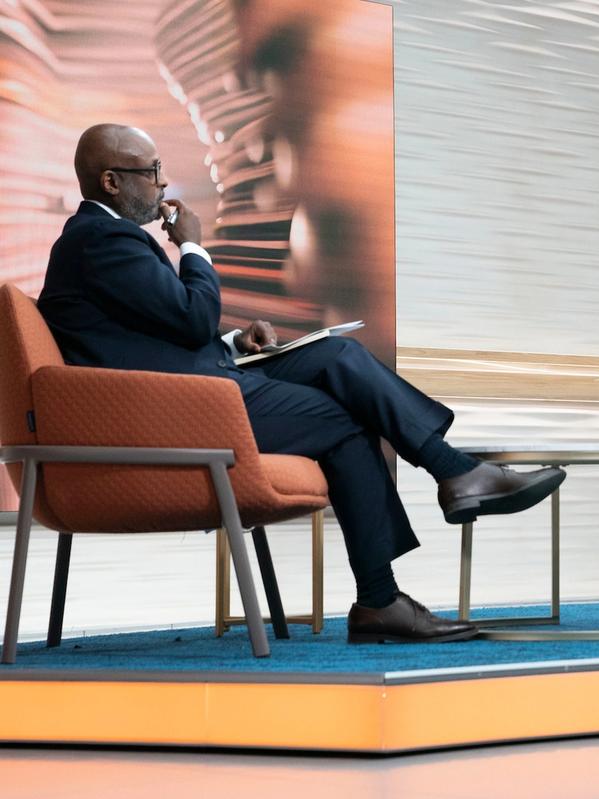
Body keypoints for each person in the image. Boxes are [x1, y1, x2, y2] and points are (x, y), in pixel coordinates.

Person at [37, 124, 568, 644]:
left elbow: (155, 333)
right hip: (179, 411)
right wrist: (193, 247)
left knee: (338, 355)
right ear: (112, 182)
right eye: (151, 171)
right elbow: (192, 318)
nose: (162, 182)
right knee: (343, 421)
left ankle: (453, 473)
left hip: (194, 386)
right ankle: (384, 591)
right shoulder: (102, 239)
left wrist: (233, 343)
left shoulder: (101, 239)